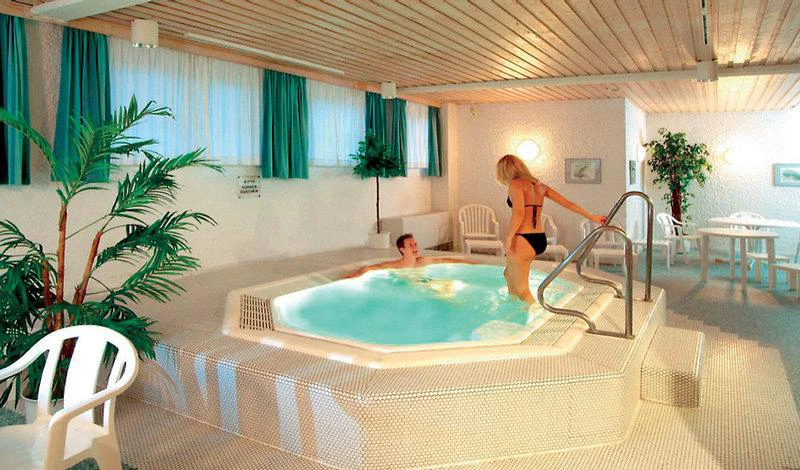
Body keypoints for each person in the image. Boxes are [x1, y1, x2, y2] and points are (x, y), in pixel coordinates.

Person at [496, 154, 606, 304]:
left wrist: (509, 238)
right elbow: (568, 203)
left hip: (522, 238)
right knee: (509, 274)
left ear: (505, 171)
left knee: (522, 289)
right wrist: (592, 217)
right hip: (539, 238)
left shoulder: (515, 184)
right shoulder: (540, 186)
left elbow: (519, 213)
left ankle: (535, 313)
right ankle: (513, 307)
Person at [343, 233, 476, 279]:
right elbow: (370, 268)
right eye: (411, 245)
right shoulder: (396, 265)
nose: (415, 247)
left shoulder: (423, 261)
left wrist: (473, 264)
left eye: (415, 244)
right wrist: (356, 274)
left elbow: (447, 260)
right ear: (402, 249)